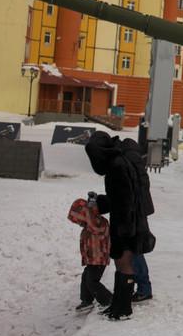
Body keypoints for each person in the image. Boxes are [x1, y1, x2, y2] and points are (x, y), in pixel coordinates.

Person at [85, 132, 156, 320]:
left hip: (127, 223)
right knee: (123, 262)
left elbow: (124, 200)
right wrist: (101, 203)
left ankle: (123, 309)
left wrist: (123, 229)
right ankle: (119, 303)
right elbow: (123, 196)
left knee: (124, 262)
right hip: (132, 219)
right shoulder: (123, 160)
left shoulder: (117, 166)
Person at [67, 195, 112, 310]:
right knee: (86, 278)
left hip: (99, 259)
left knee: (92, 281)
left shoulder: (98, 222)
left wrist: (90, 207)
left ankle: (109, 300)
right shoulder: (91, 223)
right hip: (92, 259)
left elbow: (93, 223)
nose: (80, 223)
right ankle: (86, 300)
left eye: (80, 220)